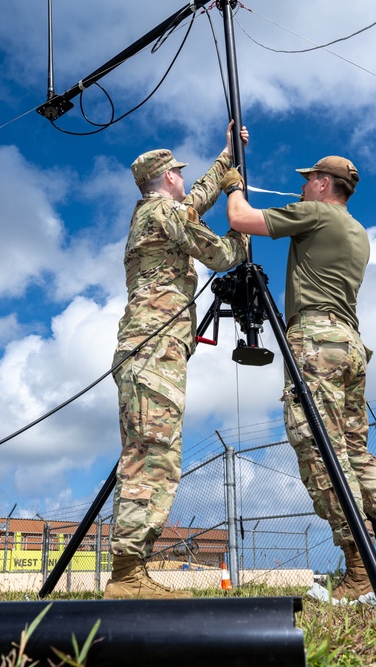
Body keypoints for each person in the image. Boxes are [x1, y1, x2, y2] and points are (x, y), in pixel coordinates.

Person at [221, 156, 376, 605]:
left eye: (308, 181)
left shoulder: (316, 213)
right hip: (349, 344)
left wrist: (233, 184)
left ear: (324, 184)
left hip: (315, 341)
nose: (302, 189)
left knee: (321, 451)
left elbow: (240, 219)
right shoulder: (356, 231)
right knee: (353, 453)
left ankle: (360, 568)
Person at [104, 122, 250, 600]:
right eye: (179, 173)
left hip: (148, 350)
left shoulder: (156, 212)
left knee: (149, 453)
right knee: (153, 458)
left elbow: (199, 197)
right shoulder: (164, 213)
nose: (184, 179)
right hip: (153, 351)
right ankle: (127, 576)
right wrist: (241, 218)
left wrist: (227, 155)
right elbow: (221, 254)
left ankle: (130, 570)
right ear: (167, 177)